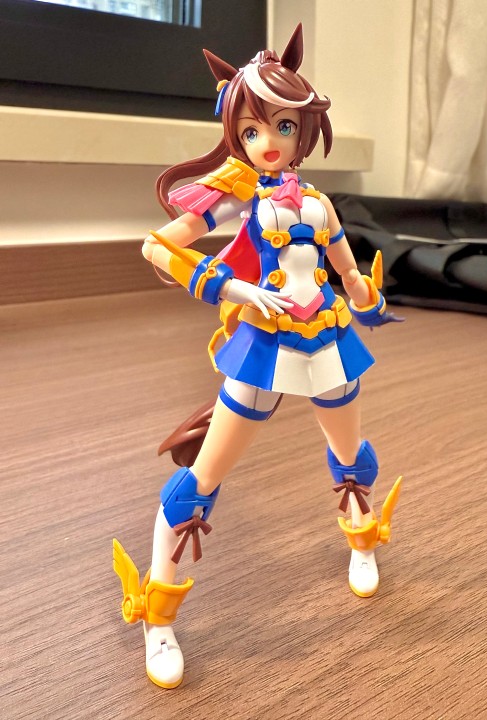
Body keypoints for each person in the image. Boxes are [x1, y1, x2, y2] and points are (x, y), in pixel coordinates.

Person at [113, 24, 402, 690]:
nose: (268, 141)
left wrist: (365, 295)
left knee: (351, 456)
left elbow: (344, 267)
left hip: (326, 336)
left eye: (282, 126)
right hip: (264, 344)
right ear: (235, 133)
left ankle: (362, 543)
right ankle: (157, 614)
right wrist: (233, 286)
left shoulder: (319, 203)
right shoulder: (237, 191)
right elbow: (159, 245)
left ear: (304, 130)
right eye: (250, 130)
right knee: (202, 479)